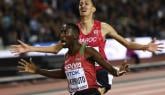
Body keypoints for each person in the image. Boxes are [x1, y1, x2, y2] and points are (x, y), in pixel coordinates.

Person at [10, 0, 163, 93]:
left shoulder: (103, 27)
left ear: (93, 9)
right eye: (80, 3)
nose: (82, 5)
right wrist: (30, 48)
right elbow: (56, 48)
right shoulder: (73, 31)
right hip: (82, 72)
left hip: (102, 70)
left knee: (97, 92)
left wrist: (145, 47)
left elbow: (127, 43)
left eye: (86, 3)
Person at [17, 23, 128, 95]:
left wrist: (118, 72)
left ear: (75, 35)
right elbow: (62, 74)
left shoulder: (88, 51)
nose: (62, 35)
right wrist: (37, 70)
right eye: (61, 32)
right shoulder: (67, 56)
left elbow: (108, 67)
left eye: (65, 32)